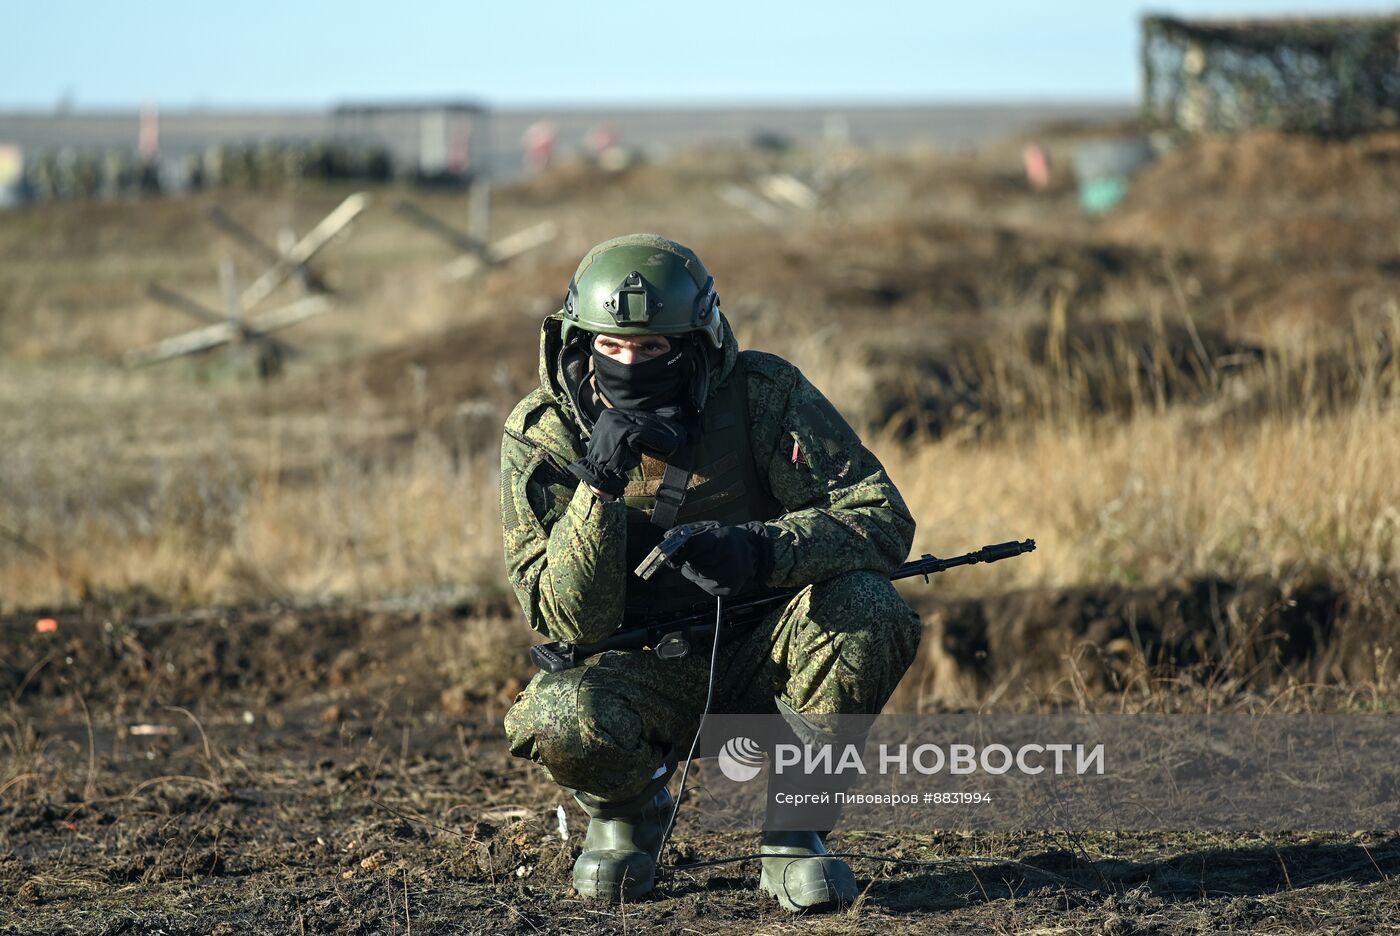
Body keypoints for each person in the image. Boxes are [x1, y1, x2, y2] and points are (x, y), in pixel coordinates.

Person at [499, 233, 921, 911]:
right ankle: (628, 815)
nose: (629, 364)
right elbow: (567, 620)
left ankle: (793, 835)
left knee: (870, 607)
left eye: (653, 349)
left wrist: (761, 550)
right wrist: (599, 488)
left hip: (763, 650)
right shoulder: (544, 433)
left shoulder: (761, 394)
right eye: (611, 347)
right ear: (579, 340)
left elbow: (880, 517)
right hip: (637, 672)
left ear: (695, 342)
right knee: (556, 713)